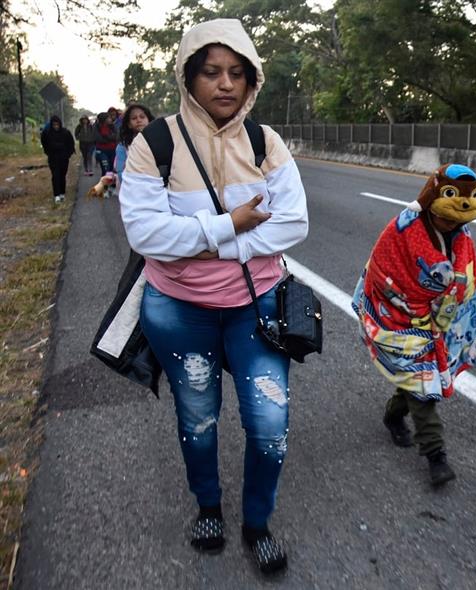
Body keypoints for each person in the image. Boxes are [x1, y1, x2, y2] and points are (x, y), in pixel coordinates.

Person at [119, 18, 308, 574]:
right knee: (198, 418)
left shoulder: (265, 143)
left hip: (258, 306)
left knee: (269, 425)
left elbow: (293, 223)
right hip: (179, 312)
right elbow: (147, 236)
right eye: (210, 72)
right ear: (188, 77)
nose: (224, 84)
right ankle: (208, 507)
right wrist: (231, 225)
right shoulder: (152, 145)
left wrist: (203, 244)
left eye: (236, 73)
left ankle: (257, 522)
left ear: (251, 80)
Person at [352, 163, 476, 486]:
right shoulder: (402, 230)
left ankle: (393, 415)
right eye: (446, 217)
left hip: (440, 320)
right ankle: (436, 456)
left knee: (417, 380)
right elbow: (382, 270)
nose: (452, 224)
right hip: (400, 317)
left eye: (460, 220)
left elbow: (468, 278)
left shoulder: (460, 234)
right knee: (423, 389)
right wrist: (418, 305)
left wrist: (449, 303)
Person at [115, 104, 154, 191]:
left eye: (142, 117)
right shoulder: (123, 146)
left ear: (149, 120)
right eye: (134, 118)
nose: (139, 120)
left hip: (158, 188)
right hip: (132, 190)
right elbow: (120, 172)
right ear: (129, 124)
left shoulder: (159, 140)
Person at [40, 115, 75, 204]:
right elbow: (44, 144)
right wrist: (48, 152)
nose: (56, 126)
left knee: (62, 175)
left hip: (64, 158)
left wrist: (68, 154)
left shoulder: (65, 132)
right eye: (54, 125)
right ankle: (56, 195)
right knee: (55, 176)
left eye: (57, 124)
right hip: (53, 158)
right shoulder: (47, 133)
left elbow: (71, 144)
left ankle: (62, 193)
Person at [94, 112, 118, 176]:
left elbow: (116, 136)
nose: (110, 119)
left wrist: (106, 136)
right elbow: (98, 139)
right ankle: (105, 183)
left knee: (112, 167)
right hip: (102, 151)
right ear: (104, 119)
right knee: (105, 168)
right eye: (109, 118)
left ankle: (111, 182)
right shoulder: (97, 127)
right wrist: (110, 138)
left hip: (113, 150)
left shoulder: (112, 126)